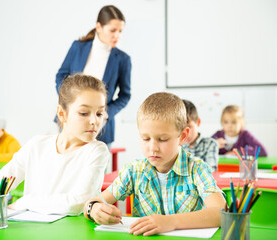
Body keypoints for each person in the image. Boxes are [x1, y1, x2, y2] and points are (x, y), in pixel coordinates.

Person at [0, 74, 110, 216]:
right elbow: (1, 180)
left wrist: (25, 202)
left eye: (99, 113)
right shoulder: (36, 145)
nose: (95, 121)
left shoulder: (97, 151)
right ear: (62, 113)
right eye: (84, 113)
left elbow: (78, 202)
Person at [83, 92, 225, 236]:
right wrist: (93, 209)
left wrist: (171, 222)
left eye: (162, 139)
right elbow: (92, 203)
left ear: (182, 137)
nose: (152, 148)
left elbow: (220, 213)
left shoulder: (196, 169)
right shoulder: (134, 171)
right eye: (145, 138)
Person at [55, 5, 131, 147]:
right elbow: (61, 76)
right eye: (113, 30)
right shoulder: (78, 47)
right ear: (99, 27)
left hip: (101, 128)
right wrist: (68, 102)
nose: (117, 35)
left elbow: (125, 95)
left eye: (120, 31)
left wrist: (105, 114)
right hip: (71, 121)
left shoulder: (123, 59)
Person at [182, 100, 219, 171]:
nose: (185, 133)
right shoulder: (176, 146)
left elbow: (211, 170)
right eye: (180, 128)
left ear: (198, 122)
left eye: (189, 127)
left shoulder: (210, 144)